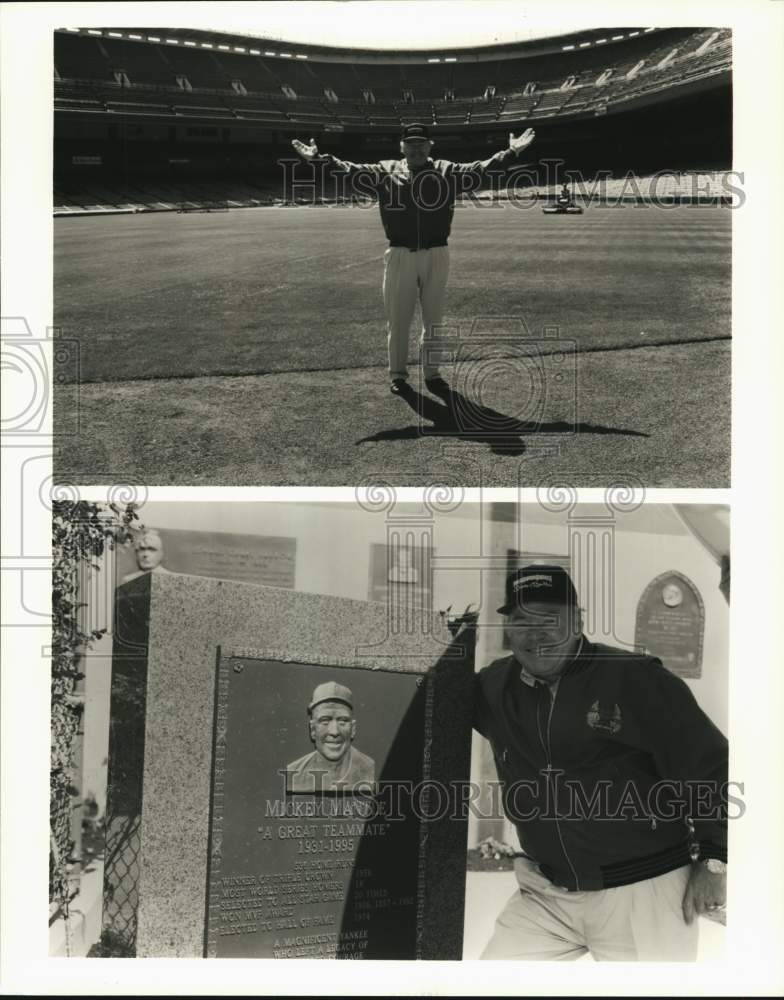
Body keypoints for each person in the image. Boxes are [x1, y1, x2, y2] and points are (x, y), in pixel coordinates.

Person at [474, 565, 728, 961]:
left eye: (548, 620)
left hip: (643, 890)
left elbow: (711, 766)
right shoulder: (495, 687)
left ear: (577, 622)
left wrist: (717, 860)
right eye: (522, 621)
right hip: (548, 893)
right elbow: (434, 703)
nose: (534, 634)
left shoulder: (637, 680)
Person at [291, 123, 535, 396]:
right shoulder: (385, 172)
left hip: (437, 253)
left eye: (421, 143)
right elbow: (349, 171)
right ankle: (398, 374)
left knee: (434, 320)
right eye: (411, 144)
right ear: (402, 147)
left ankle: (432, 374)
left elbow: (482, 170)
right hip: (400, 254)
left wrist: (511, 153)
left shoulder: (447, 171)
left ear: (430, 147)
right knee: (398, 319)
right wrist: (318, 159)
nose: (416, 148)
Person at [285, 682, 376, 793]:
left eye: (342, 721)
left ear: (353, 729)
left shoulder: (368, 768)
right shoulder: (296, 772)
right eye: (325, 721)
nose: (334, 731)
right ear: (313, 730)